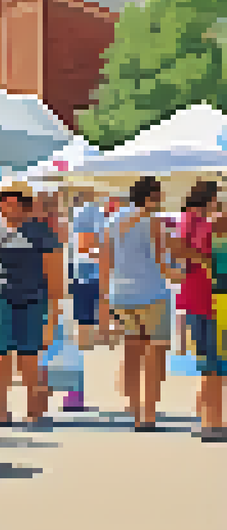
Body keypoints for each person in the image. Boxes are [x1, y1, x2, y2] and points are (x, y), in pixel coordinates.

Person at [0, 182, 61, 429]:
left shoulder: (42, 232)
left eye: (17, 200)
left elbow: (55, 278)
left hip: (33, 300)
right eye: (4, 200)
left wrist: (52, 320)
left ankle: (34, 411)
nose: (10, 205)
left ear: (27, 205)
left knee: (29, 357)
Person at [99, 176, 171, 431]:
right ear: (150, 196)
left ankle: (134, 408)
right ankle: (148, 414)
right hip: (151, 293)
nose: (161, 200)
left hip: (121, 295)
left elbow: (104, 264)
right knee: (155, 354)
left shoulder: (112, 221)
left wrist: (104, 300)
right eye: (159, 195)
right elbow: (163, 264)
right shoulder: (153, 223)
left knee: (131, 351)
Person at [173, 180, 227, 440]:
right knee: (215, 364)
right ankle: (212, 422)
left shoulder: (185, 220)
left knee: (208, 362)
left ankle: (205, 417)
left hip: (194, 297)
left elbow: (178, 252)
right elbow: (190, 252)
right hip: (213, 300)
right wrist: (204, 258)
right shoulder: (210, 224)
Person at [64, 187, 107, 412]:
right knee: (84, 324)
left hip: (83, 272)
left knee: (84, 322)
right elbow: (84, 246)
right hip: (87, 272)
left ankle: (75, 392)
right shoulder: (88, 212)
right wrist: (107, 254)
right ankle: (75, 391)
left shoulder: (83, 212)